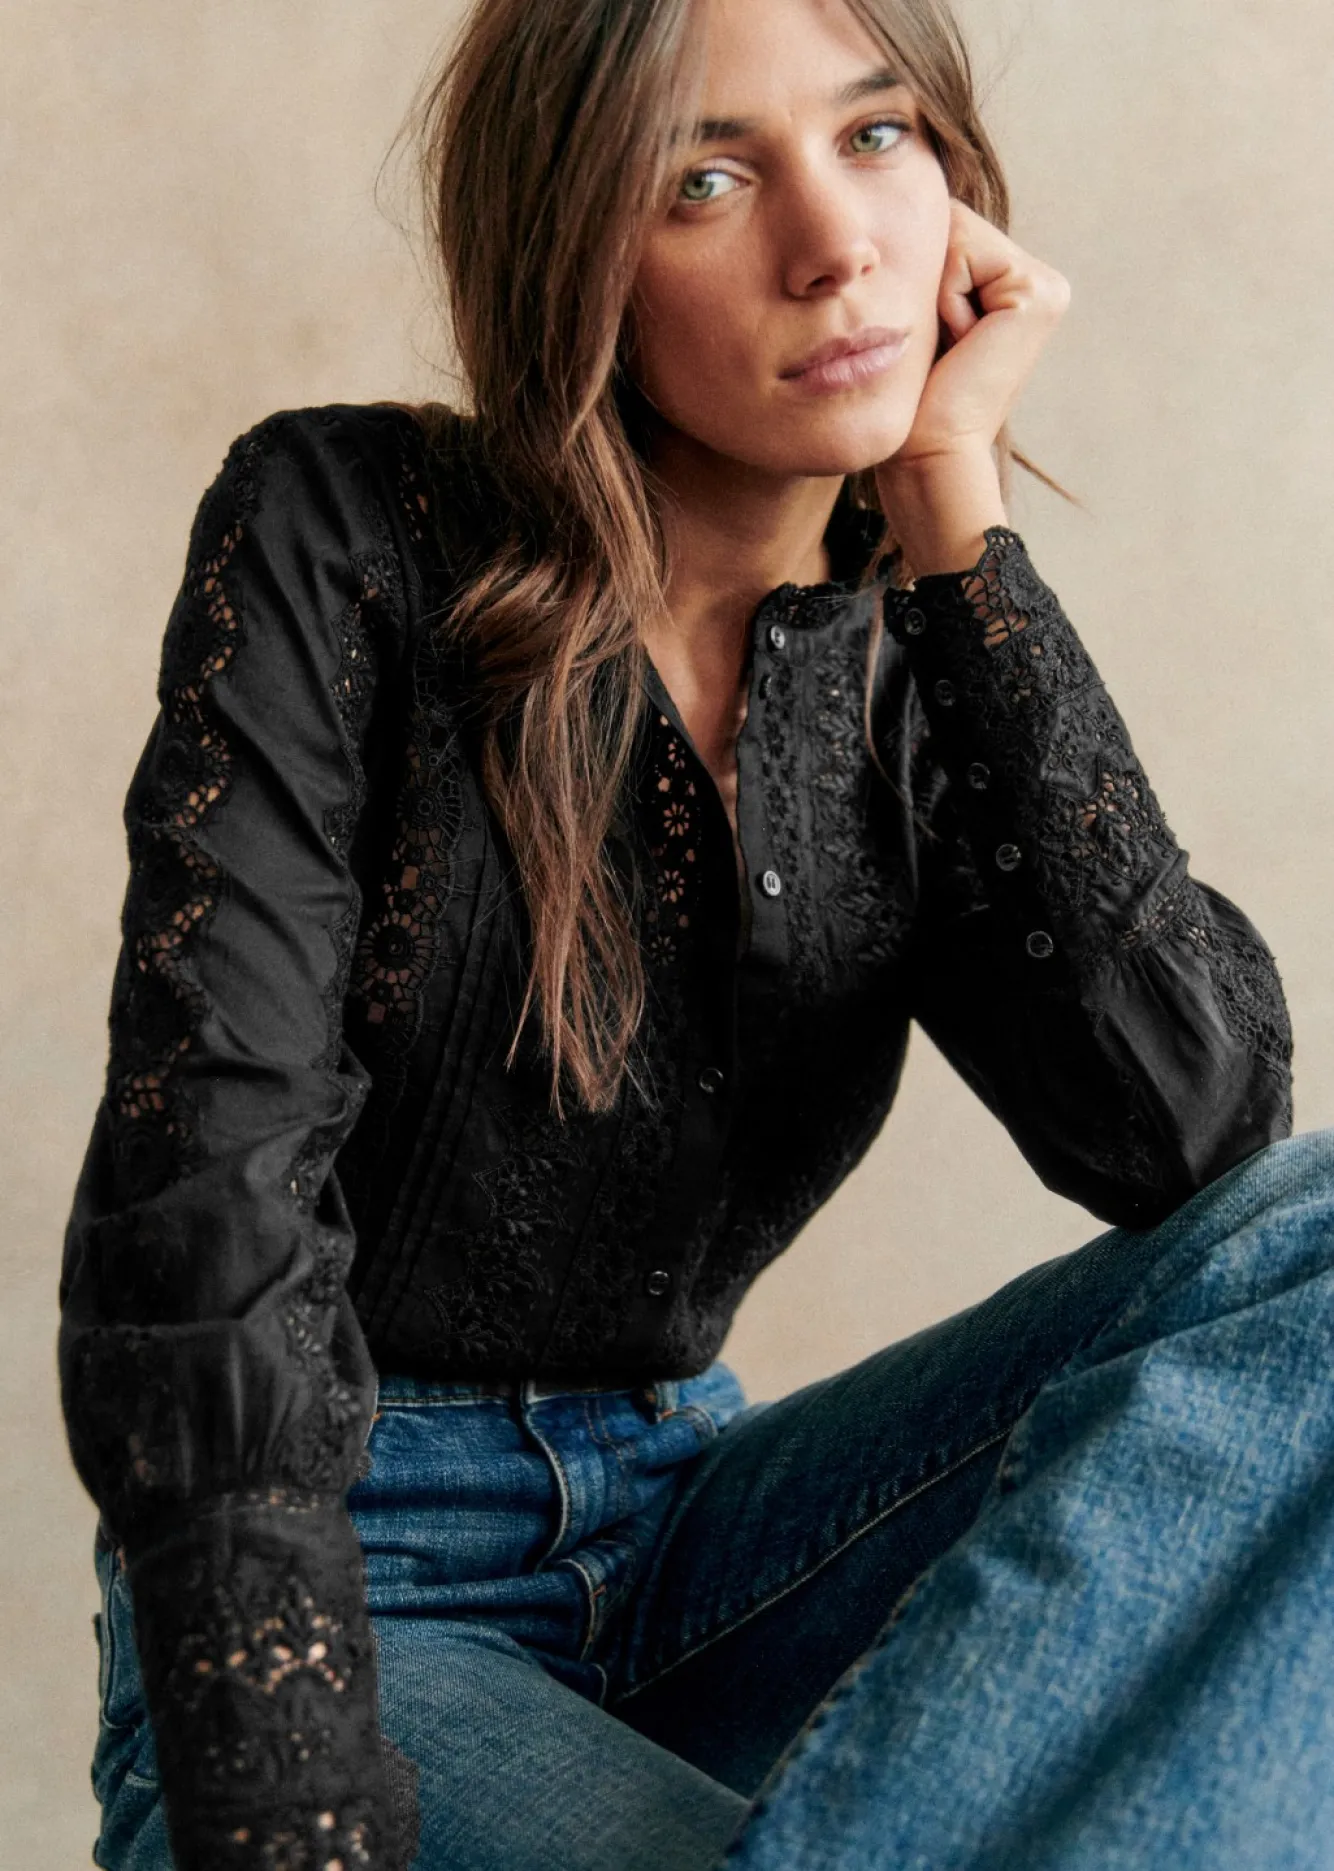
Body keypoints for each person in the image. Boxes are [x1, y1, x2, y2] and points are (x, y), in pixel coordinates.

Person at [58, 0, 1332, 1865]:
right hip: (360, 1591)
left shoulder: (913, 655)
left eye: (876, 136)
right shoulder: (346, 529)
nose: (833, 247)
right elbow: (203, 1212)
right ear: (573, 258)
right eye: (705, 181)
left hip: (698, 1536)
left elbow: (1191, 1131)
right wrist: (276, 1808)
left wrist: (953, 507)